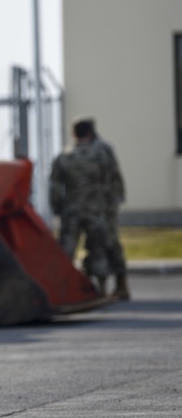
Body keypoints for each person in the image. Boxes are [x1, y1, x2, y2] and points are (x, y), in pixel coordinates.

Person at [49, 118, 116, 296]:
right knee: (98, 248)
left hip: (72, 211)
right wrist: (110, 206)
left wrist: (57, 209)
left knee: (66, 250)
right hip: (96, 209)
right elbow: (112, 180)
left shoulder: (64, 156)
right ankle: (102, 289)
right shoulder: (102, 153)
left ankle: (61, 289)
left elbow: (55, 187)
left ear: (73, 134)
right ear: (90, 132)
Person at [87, 118, 129, 300]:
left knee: (101, 244)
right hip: (106, 204)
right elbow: (116, 176)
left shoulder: (94, 150)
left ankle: (105, 287)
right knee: (108, 243)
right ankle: (120, 285)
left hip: (99, 206)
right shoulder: (105, 148)